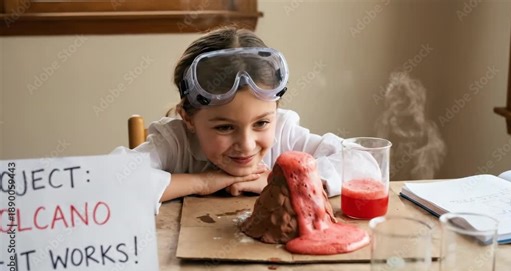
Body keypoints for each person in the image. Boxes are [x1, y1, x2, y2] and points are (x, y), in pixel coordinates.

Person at [113, 27, 343, 213]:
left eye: (261, 123)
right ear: (188, 118)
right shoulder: (175, 142)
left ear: (275, 111)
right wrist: (201, 182)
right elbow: (109, 182)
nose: (246, 145)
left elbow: (365, 161)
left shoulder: (285, 133)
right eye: (224, 127)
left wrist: (280, 183)